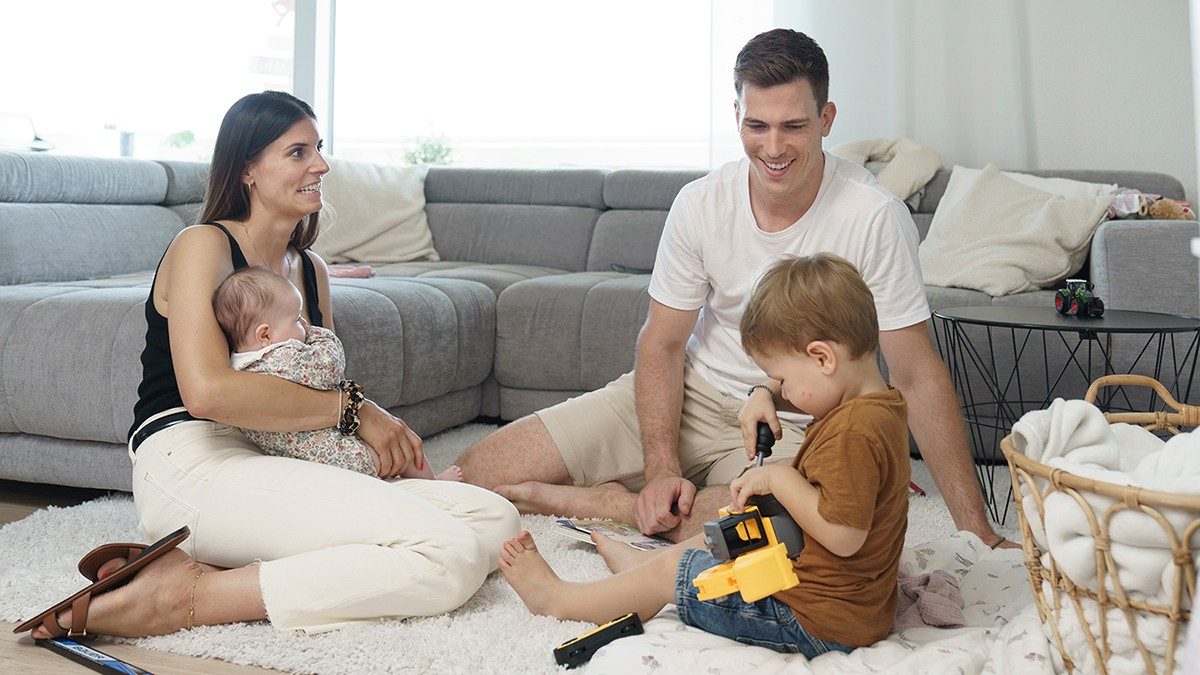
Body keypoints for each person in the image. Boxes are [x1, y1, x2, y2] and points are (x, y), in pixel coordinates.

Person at [457, 27, 1010, 549]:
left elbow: (914, 373)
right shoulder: (700, 203)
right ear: (736, 115)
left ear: (827, 118)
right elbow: (663, 344)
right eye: (757, 126)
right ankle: (638, 496)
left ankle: (614, 506)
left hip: (794, 422)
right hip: (693, 391)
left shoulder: (874, 217)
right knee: (472, 476)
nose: (773, 148)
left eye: (793, 126)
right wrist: (662, 468)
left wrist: (975, 531)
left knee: (798, 523)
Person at [20, 91, 518, 640]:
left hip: (276, 453)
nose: (321, 166)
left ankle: (225, 563)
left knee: (494, 521)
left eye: (319, 150)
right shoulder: (202, 246)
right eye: (298, 152)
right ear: (248, 170)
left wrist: (366, 431)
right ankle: (184, 598)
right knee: (449, 554)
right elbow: (208, 393)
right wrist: (355, 411)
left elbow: (317, 380)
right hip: (192, 457)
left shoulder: (310, 269)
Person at [501, 254, 909, 656]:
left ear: (823, 358)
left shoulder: (853, 432)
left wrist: (781, 479)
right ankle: (636, 577)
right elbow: (841, 501)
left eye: (782, 378)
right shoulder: (879, 407)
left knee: (669, 572)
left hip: (809, 619)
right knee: (723, 535)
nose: (780, 389)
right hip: (840, 607)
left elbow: (844, 536)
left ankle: (557, 599)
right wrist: (765, 393)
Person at [212, 266, 462, 480]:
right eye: (297, 320)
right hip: (337, 456)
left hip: (305, 456)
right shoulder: (283, 357)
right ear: (265, 334)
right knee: (402, 451)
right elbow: (328, 371)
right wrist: (322, 336)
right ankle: (434, 486)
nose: (305, 326)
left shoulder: (242, 367)